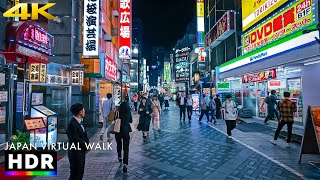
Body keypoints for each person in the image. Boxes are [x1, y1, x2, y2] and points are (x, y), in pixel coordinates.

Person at [67, 103, 89, 180]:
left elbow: (84, 136)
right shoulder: (72, 124)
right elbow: (75, 138)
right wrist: (86, 146)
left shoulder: (80, 122)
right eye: (83, 110)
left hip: (80, 152)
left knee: (79, 173)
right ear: (80, 112)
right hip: (75, 153)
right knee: (75, 174)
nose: (84, 111)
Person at [116, 98, 133, 173]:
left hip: (118, 130)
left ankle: (119, 157)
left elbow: (114, 119)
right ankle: (125, 164)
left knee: (119, 144)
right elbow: (131, 121)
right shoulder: (128, 112)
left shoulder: (118, 112)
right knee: (126, 148)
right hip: (126, 131)